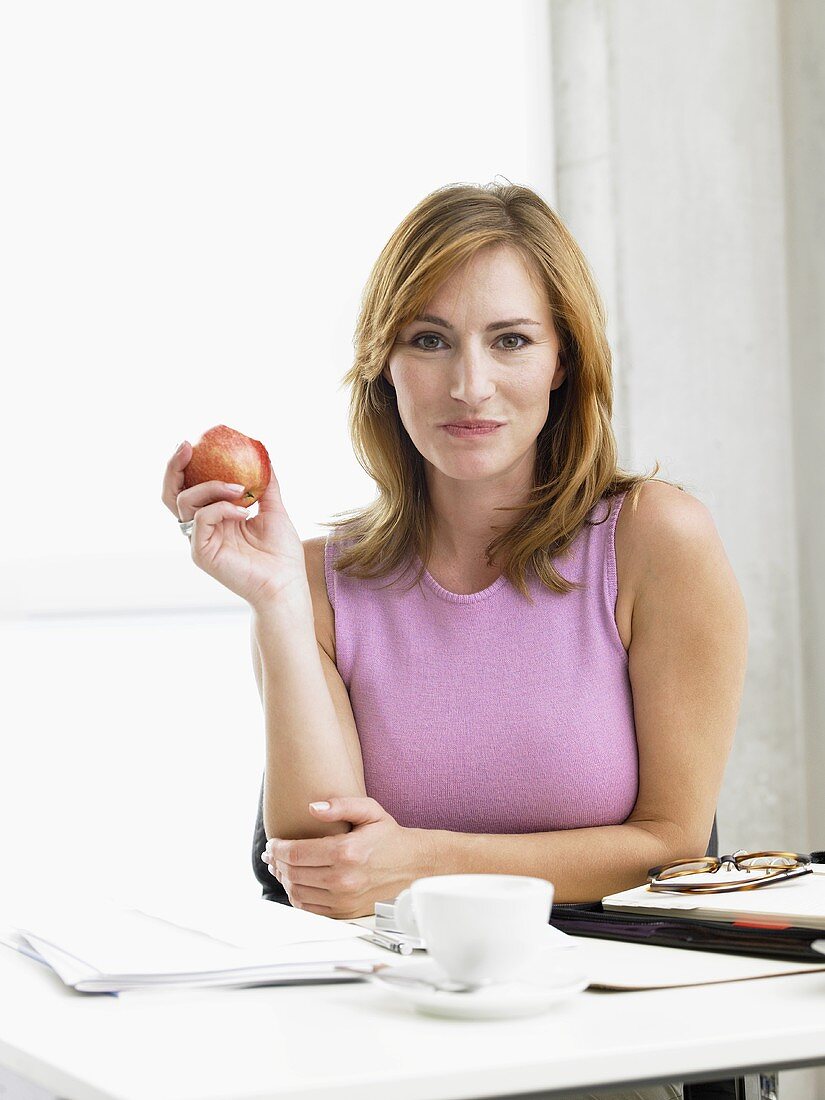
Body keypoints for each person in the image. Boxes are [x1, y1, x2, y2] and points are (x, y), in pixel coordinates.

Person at [162, 181, 748, 1100]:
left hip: (609, 1036)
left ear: (562, 361)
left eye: (509, 340)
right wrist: (273, 598)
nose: (468, 385)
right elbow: (323, 867)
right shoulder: (314, 581)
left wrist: (426, 860)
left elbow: (672, 845)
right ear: (383, 367)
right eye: (428, 341)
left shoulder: (653, 540)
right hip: (384, 1036)